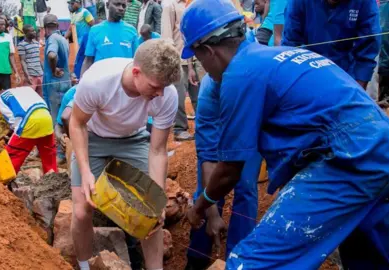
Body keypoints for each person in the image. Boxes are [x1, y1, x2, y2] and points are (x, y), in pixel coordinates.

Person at [182, 0, 389, 269]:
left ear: (208, 52)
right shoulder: (280, 57)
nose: (202, 68)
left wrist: (199, 207)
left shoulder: (239, 74)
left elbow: (231, 169)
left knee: (252, 262)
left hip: (351, 159)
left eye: (198, 59)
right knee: (366, 261)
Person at [70, 39, 180, 270]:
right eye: (154, 86)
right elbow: (77, 124)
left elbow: (158, 149)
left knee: (152, 215)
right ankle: (84, 265)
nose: (160, 93)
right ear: (136, 72)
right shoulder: (98, 81)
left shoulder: (166, 93)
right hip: (94, 138)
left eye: (164, 87)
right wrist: (87, 172)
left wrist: (158, 198)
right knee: (82, 211)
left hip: (133, 139)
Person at [185, 75, 262, 270]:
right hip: (218, 122)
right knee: (209, 186)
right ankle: (197, 258)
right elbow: (208, 155)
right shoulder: (209, 91)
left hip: (252, 128)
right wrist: (211, 215)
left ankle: (238, 260)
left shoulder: (259, 79)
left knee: (246, 189)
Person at [282, 0, 380, 90]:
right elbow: (290, 45)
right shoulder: (298, 2)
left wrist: (356, 92)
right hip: (306, 70)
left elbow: (368, 47)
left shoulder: (365, 2)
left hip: (346, 72)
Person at [161, 0, 199, 141]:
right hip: (179, 59)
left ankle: (202, 127)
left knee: (198, 97)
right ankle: (179, 128)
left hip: (197, 58)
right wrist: (172, 62)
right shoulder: (170, 6)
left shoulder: (193, 3)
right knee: (179, 96)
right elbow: (167, 37)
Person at [0, 86, 57, 174]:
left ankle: (4, 180)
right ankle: (54, 178)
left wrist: (12, 138)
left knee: (13, 155)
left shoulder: (1, 99)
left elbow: (13, 120)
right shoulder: (25, 89)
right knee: (49, 154)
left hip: (29, 121)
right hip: (47, 118)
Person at [81, 0, 138, 75]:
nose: (121, 8)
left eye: (124, 6)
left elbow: (136, 61)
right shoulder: (95, 30)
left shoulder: (132, 31)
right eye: (117, 4)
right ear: (107, 5)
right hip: (101, 81)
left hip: (123, 83)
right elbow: (88, 60)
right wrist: (82, 82)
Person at [42, 14, 71, 123]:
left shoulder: (52, 38)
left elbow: (52, 55)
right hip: (65, 82)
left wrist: (53, 70)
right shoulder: (63, 39)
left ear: (45, 28)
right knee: (64, 116)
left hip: (55, 85)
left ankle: (58, 140)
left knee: (55, 120)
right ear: (57, 26)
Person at [18, 24, 44, 96]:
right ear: (26, 33)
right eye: (32, 31)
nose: (34, 32)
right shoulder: (21, 45)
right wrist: (27, 75)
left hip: (40, 74)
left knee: (41, 96)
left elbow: (38, 58)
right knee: (29, 96)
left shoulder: (36, 43)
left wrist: (43, 71)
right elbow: (22, 61)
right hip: (31, 75)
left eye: (34, 31)